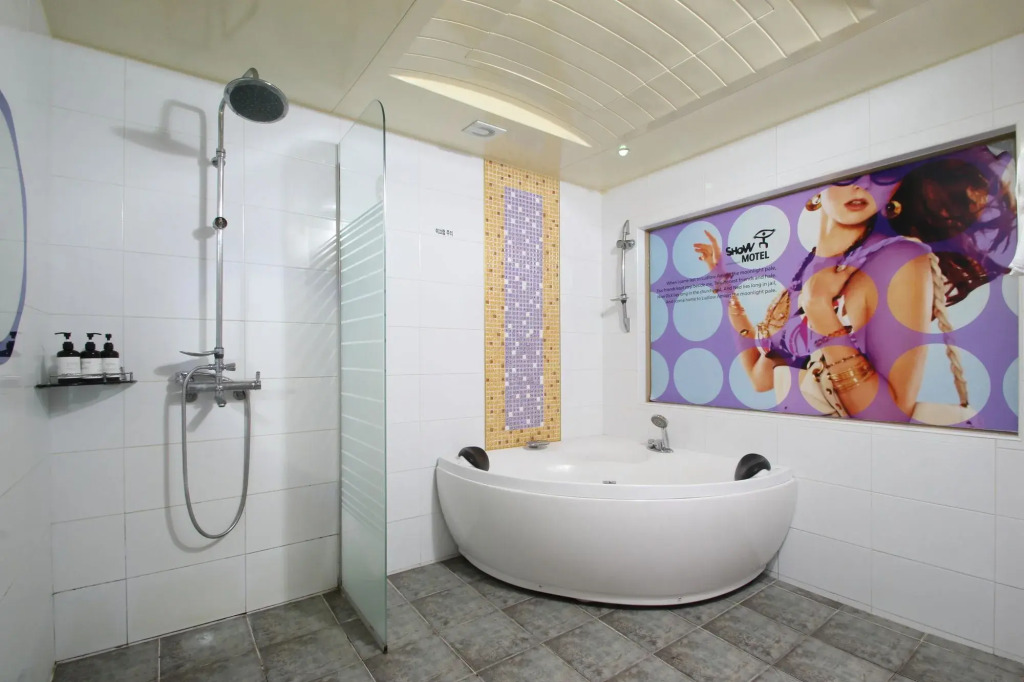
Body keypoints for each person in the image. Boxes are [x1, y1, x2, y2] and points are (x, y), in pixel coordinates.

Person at [694, 173, 953, 421]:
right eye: (847, 176)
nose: (863, 184)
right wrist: (722, 279)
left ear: (896, 187)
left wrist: (819, 308)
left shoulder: (898, 257)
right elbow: (760, 380)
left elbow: (887, 416)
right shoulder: (803, 267)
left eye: (883, 175)